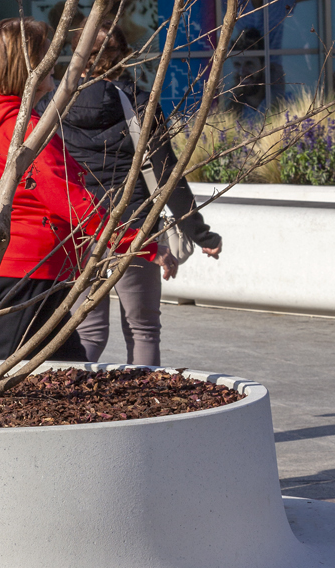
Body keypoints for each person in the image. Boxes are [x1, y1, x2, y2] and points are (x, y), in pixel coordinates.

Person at [0, 17, 150, 363]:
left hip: (22, 260)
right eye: (47, 56)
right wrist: (132, 242)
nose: (55, 63)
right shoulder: (22, 129)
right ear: (26, 67)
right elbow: (68, 196)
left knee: (62, 363)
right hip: (32, 264)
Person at [59, 21, 222, 367]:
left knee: (87, 333)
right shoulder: (137, 102)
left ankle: (71, 405)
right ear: (124, 57)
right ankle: (148, 404)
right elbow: (166, 173)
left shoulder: (53, 104)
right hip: (133, 228)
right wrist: (200, 232)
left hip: (75, 227)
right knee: (143, 329)